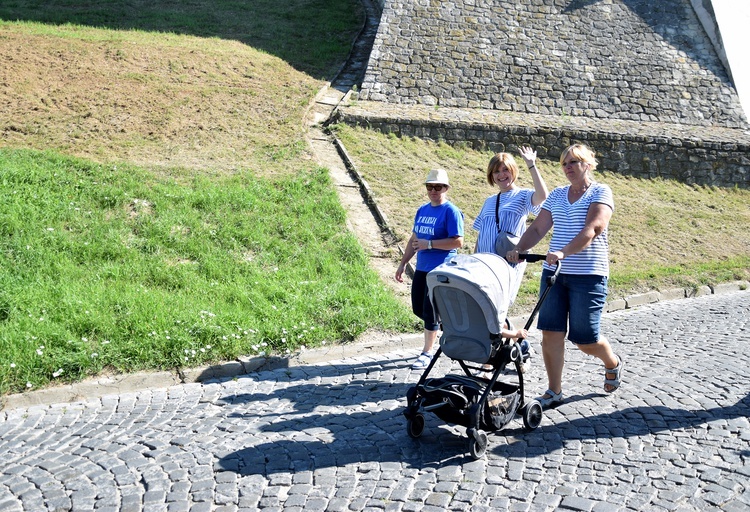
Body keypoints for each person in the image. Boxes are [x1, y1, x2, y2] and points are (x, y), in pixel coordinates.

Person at [506, 143, 623, 408]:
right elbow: (537, 229)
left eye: (574, 162)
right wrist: (518, 249)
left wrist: (563, 252)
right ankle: (554, 390)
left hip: (588, 275)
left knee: (585, 338)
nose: (568, 167)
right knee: (551, 333)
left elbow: (594, 228)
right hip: (555, 274)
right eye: (565, 163)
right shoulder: (557, 195)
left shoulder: (600, 191)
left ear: (588, 164)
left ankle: (612, 362)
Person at [473, 146, 548, 371]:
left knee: (498, 307)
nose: (501, 175)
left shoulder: (522, 195)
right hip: (484, 263)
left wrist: (531, 165)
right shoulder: (489, 201)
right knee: (488, 307)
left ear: (513, 171)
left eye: (505, 170)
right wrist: (474, 261)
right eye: (496, 171)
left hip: (508, 263)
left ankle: (489, 364)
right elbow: (480, 234)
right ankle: (518, 346)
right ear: (491, 175)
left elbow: (543, 196)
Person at [395, 168, 464, 370]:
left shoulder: (451, 211)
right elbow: (414, 240)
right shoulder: (422, 210)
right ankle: (452, 330)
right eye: (430, 186)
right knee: (419, 308)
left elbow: (458, 242)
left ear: (446, 188)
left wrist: (430, 244)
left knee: (430, 310)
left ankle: (427, 352)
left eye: (438, 187)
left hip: (441, 269)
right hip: (422, 268)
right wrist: (403, 262)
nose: (434, 190)